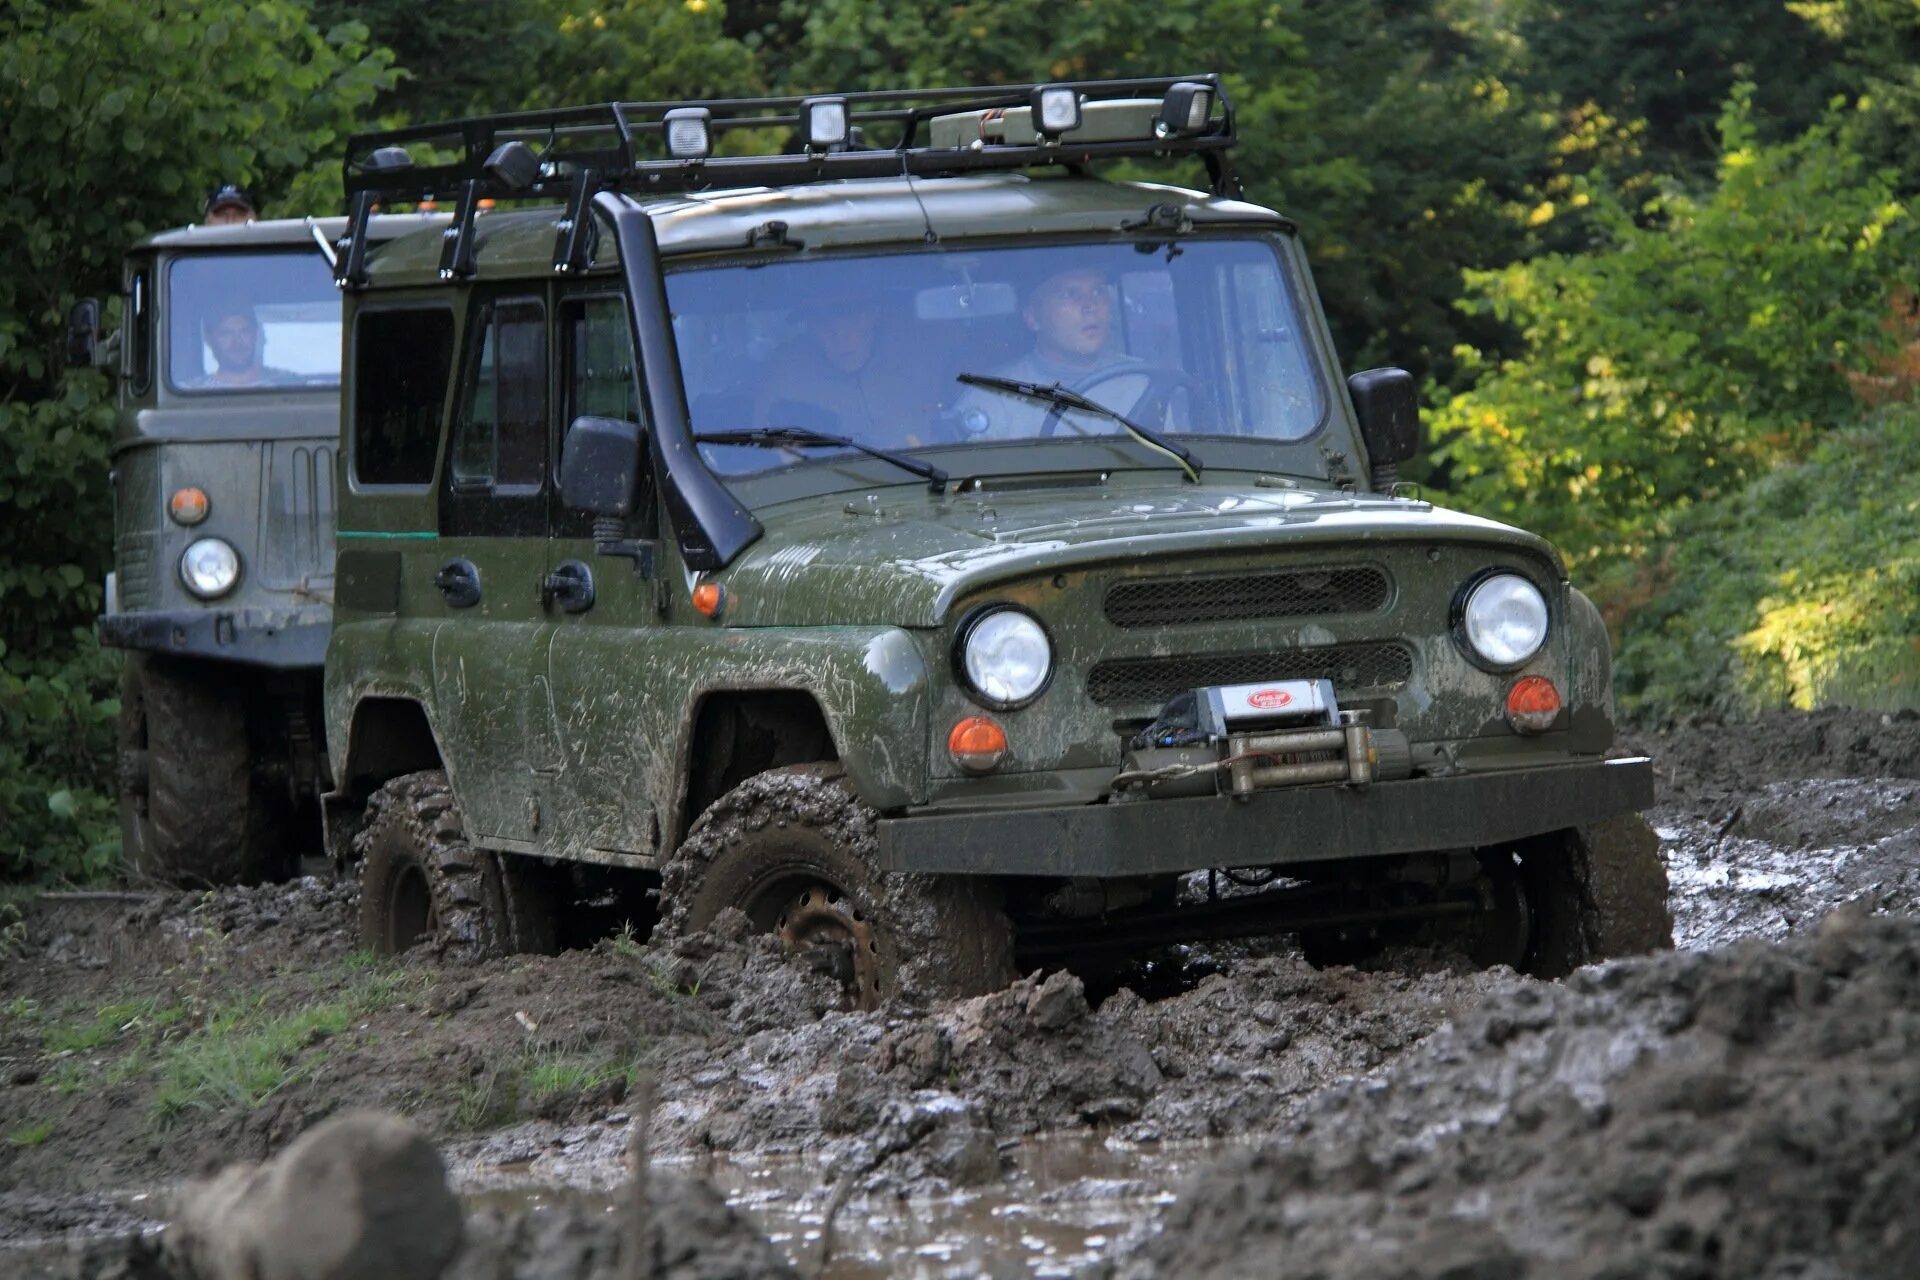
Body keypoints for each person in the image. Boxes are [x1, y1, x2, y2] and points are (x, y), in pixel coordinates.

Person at [954, 264, 1147, 440]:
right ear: (1033, 318)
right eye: (1069, 294)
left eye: (1098, 291)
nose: (1090, 306)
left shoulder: (1142, 383)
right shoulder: (993, 397)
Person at [190, 304, 294, 388]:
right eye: (226, 334)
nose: (237, 343)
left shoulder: (289, 388)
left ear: (255, 336)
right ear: (210, 340)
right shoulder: (191, 392)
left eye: (244, 332)